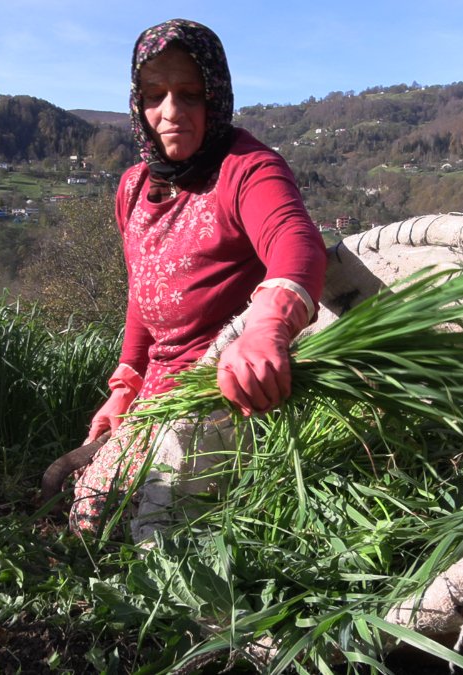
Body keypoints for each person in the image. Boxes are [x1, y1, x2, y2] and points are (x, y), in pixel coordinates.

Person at [70, 18, 327, 534]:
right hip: (160, 392)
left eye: (189, 94)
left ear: (216, 95)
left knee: (133, 526)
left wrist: (266, 326)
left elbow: (296, 242)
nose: (170, 113)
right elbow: (145, 294)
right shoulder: (133, 187)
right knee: (88, 514)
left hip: (228, 388)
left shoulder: (248, 169)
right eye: (154, 94)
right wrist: (126, 385)